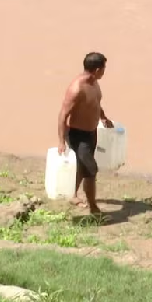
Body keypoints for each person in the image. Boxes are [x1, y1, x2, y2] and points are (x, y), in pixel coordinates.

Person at [57, 52, 114, 214]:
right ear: (97, 70)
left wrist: (103, 118)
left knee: (83, 167)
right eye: (104, 68)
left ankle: (73, 194)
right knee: (91, 169)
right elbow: (63, 115)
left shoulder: (94, 83)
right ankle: (93, 207)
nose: (104, 71)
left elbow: (95, 103)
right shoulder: (77, 89)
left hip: (91, 132)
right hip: (77, 134)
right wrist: (61, 141)